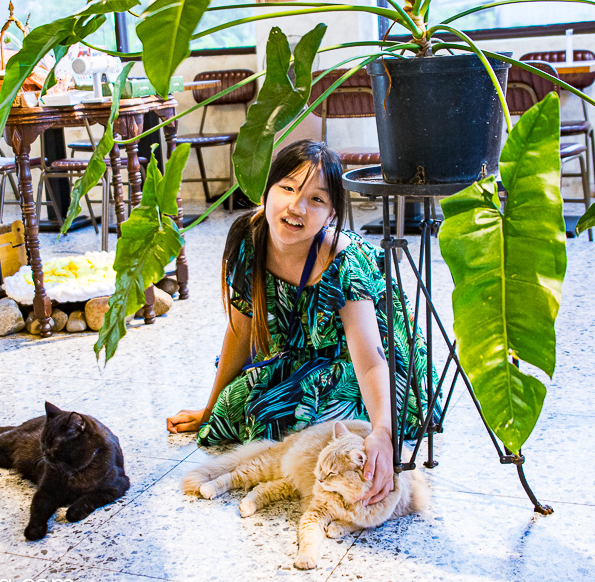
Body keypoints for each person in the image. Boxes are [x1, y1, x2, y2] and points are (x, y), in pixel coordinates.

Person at [167, 140, 438, 505]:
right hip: (301, 354)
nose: (297, 207)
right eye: (289, 188)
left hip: (370, 362)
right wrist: (210, 406)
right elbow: (240, 331)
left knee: (301, 418)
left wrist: (383, 434)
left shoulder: (343, 259)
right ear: (267, 192)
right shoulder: (249, 239)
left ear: (331, 214)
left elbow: (371, 360)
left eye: (317, 199)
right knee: (238, 411)